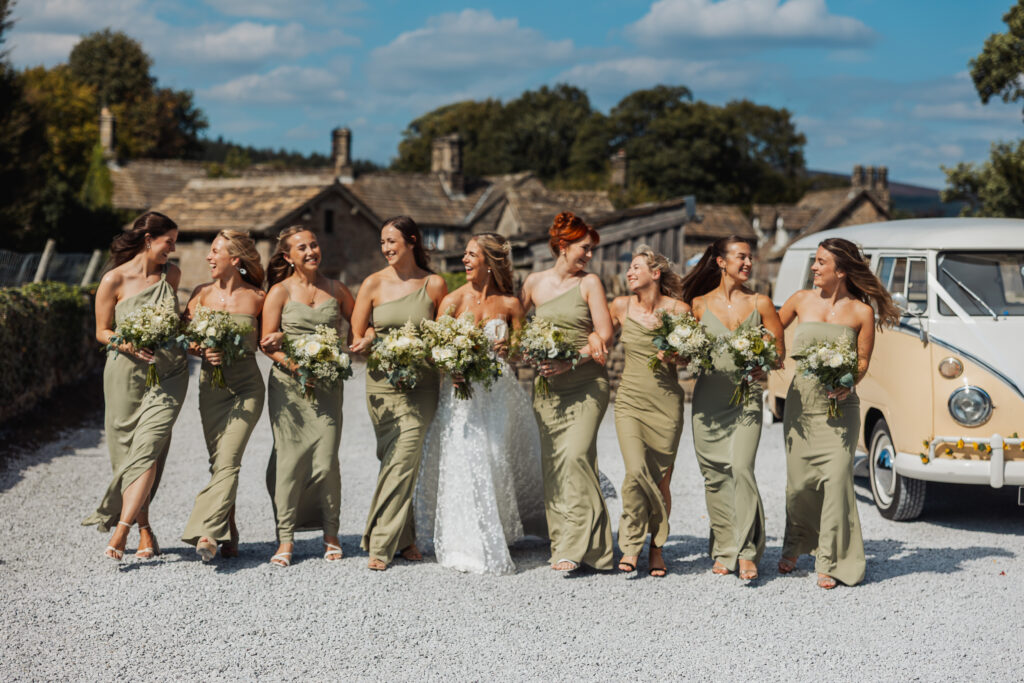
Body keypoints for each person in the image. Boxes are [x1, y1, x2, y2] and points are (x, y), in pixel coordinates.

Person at [415, 233, 546, 575]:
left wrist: (509, 351)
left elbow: (520, 353)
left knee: (493, 457)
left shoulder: (510, 305)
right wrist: (450, 367)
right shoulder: (452, 302)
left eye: (472, 254)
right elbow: (435, 350)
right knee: (463, 458)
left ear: (490, 261)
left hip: (497, 393)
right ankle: (463, 540)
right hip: (459, 395)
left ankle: (495, 530)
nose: (466, 260)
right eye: (465, 255)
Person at [777, 237, 898, 589]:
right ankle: (796, 544)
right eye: (814, 261)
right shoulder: (800, 300)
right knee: (799, 485)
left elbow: (861, 361)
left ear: (841, 270)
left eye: (820, 262)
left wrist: (848, 381)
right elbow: (771, 330)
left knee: (838, 483)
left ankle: (829, 559)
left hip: (840, 410)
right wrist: (770, 353)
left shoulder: (862, 312)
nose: (813, 267)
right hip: (801, 408)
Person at [83, 211, 188, 561]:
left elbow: (177, 323)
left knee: (151, 445)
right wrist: (127, 343)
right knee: (129, 453)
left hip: (168, 373)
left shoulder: (170, 275)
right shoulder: (113, 279)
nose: (171, 250)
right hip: (124, 375)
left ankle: (121, 530)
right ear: (148, 240)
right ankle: (144, 527)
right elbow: (102, 331)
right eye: (167, 242)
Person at [682, 236, 784, 581]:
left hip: (746, 398)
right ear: (721, 262)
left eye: (751, 258)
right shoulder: (696, 305)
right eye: (741, 257)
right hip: (708, 400)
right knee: (715, 477)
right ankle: (726, 548)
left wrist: (765, 364)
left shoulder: (762, 304)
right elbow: (684, 352)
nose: (748, 263)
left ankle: (748, 551)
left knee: (740, 468)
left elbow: (779, 353)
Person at [519, 211, 615, 572]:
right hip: (546, 389)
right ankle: (573, 544)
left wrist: (570, 360)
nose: (589, 256)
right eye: (584, 249)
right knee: (555, 466)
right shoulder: (532, 283)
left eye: (590, 250)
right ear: (563, 246)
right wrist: (524, 349)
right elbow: (515, 329)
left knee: (575, 456)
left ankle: (575, 546)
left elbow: (604, 336)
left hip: (586, 383)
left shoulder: (589, 284)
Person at [350, 216, 447, 571]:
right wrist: (373, 336)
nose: (386, 248)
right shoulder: (372, 283)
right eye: (382, 243)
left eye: (392, 241)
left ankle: (381, 542)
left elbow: (443, 336)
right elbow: (358, 335)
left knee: (405, 455)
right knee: (392, 458)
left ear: (411, 241)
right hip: (381, 383)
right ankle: (406, 538)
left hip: (421, 384)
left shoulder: (434, 284)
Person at [261, 226, 355, 567]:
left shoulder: (338, 290)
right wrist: (295, 365)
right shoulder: (279, 292)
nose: (311, 250)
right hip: (288, 386)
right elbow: (266, 342)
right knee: (289, 461)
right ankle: (285, 539)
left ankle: (331, 534)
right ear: (288, 257)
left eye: (314, 244)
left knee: (327, 460)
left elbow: (362, 327)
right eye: (302, 247)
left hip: (329, 386)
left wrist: (362, 341)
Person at [180, 230, 266, 562]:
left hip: (247, 389)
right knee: (219, 463)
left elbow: (273, 338)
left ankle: (207, 532)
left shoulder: (260, 298)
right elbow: (185, 338)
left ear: (236, 259)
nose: (208, 257)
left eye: (216, 251)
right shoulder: (200, 295)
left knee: (229, 459)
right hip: (211, 390)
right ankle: (230, 532)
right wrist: (201, 348)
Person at [608, 246, 689, 577]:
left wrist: (677, 357)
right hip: (629, 401)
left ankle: (656, 547)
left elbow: (689, 356)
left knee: (661, 480)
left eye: (636, 267)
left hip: (666, 402)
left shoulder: (680, 310)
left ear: (655, 274)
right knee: (635, 472)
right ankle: (629, 545)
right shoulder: (619, 306)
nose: (629, 272)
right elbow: (599, 335)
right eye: (629, 267)